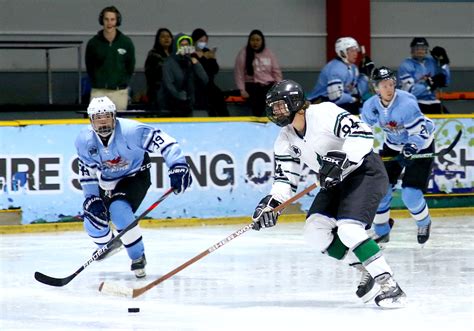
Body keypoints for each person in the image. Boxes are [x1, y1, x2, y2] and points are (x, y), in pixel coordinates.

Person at [251, 79, 406, 308]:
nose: (276, 111)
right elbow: (285, 180)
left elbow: (362, 132)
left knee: (349, 229)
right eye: (273, 107)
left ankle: (390, 285)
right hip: (334, 181)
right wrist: (271, 205)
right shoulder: (284, 139)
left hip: (364, 172)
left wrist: (343, 157)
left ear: (295, 103)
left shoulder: (325, 113)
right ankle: (366, 267)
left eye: (280, 106)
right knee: (314, 231)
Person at [75, 96, 192, 278]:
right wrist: (91, 197)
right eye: (98, 118)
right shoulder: (84, 140)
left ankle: (137, 256)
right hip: (107, 180)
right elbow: (86, 171)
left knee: (119, 210)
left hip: (135, 176)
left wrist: (178, 165)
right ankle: (108, 244)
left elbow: (166, 142)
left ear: (114, 116)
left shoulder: (132, 131)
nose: (103, 121)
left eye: (106, 116)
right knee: (92, 215)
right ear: (91, 121)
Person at [361, 67, 435, 245]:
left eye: (390, 84)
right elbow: (362, 130)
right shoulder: (371, 105)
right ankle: (382, 231)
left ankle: (424, 223)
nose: (388, 88)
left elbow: (419, 133)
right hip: (393, 145)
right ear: (376, 88)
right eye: (383, 85)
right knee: (381, 190)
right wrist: (361, 150)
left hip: (421, 145)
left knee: (410, 194)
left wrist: (410, 149)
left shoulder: (406, 103)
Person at [85, 6, 135, 111]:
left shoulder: (126, 42)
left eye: (112, 19)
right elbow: (89, 66)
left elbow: (130, 66)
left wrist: (122, 82)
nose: (109, 23)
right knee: (97, 125)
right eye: (106, 19)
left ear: (117, 21)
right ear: (101, 21)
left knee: (120, 124)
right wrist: (98, 81)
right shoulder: (93, 43)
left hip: (119, 92)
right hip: (98, 91)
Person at [307, 37, 373, 115]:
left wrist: (364, 76)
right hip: (319, 103)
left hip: (335, 103)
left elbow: (356, 92)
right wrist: (355, 99)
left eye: (356, 50)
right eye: (352, 51)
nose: (355, 54)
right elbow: (336, 97)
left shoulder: (353, 68)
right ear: (342, 52)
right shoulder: (335, 69)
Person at [234, 29, 282, 116]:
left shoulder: (269, 53)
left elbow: (276, 71)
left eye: (257, 40)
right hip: (252, 85)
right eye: (252, 40)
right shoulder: (243, 53)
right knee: (258, 101)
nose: (255, 42)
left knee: (273, 99)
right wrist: (242, 90)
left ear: (262, 41)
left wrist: (279, 86)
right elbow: (239, 74)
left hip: (268, 85)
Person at [158, 33, 208, 116]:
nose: (184, 47)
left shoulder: (190, 62)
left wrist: (197, 65)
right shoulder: (168, 63)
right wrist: (180, 96)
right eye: (181, 45)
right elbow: (169, 85)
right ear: (176, 46)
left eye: (187, 45)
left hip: (187, 106)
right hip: (169, 107)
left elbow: (205, 80)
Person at [398, 37, 450, 114]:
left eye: (423, 48)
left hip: (433, 101)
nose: (420, 50)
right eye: (417, 48)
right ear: (412, 50)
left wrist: (443, 63)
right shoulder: (406, 65)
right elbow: (408, 91)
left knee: (448, 120)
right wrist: (428, 85)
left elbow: (445, 81)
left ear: (426, 49)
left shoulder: (432, 62)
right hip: (414, 102)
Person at [191, 28, 229, 116]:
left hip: (209, 84)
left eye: (204, 41)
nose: (202, 43)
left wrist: (213, 59)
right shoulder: (190, 52)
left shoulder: (207, 51)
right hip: (196, 85)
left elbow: (215, 69)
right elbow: (197, 70)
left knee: (218, 95)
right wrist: (204, 58)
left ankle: (225, 118)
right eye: (200, 40)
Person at [144, 28, 173, 109]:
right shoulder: (153, 55)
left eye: (168, 36)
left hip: (173, 93)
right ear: (158, 39)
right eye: (163, 37)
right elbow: (150, 75)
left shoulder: (175, 54)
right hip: (158, 92)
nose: (166, 39)